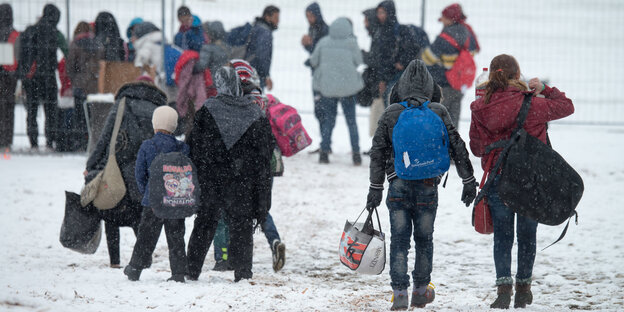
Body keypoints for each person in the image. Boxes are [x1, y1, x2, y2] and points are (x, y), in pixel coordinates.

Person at [366, 60, 477, 310]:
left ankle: (399, 293)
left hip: (398, 186)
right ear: (431, 88)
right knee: (425, 240)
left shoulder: (392, 112)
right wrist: (468, 180)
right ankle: (420, 290)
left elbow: (378, 152)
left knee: (399, 241)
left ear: (400, 87)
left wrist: (376, 187)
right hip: (428, 186)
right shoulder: (437, 111)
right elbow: (457, 146)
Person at [468, 54, 574, 309]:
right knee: (527, 236)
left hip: (497, 177)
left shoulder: (481, 107)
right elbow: (566, 106)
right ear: (518, 76)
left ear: (491, 77)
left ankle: (503, 289)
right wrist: (545, 89)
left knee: (502, 236)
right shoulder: (532, 105)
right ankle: (524, 289)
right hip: (530, 180)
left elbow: (476, 147)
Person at [186, 66, 274, 282]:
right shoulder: (254, 112)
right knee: (242, 225)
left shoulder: (208, 111)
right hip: (243, 180)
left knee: (205, 223)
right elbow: (265, 152)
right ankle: (243, 272)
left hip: (212, 179)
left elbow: (194, 147)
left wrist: (206, 168)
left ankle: (191, 269)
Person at [209, 59, 286, 272]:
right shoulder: (262, 98)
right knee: (260, 208)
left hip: (243, 163)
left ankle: (226, 256)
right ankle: (274, 240)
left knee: (230, 209)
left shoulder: (236, 100)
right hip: (267, 160)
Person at [84, 81, 168, 267]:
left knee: (111, 210)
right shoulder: (158, 108)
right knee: (141, 215)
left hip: (118, 168)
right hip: (146, 170)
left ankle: (115, 261)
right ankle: (144, 258)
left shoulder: (121, 104)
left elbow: (105, 137)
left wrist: (91, 165)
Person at [123, 106, 190, 283]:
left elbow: (139, 174)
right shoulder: (182, 148)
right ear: (174, 126)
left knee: (146, 236)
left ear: (155, 123)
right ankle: (178, 272)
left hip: (153, 201)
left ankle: (135, 268)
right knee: (176, 237)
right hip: (175, 198)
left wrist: (147, 193)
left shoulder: (147, 146)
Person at [309, 17, 364, 165]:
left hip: (328, 88)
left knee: (329, 121)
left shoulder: (323, 42)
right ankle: (356, 154)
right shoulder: (352, 43)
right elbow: (359, 61)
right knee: (351, 122)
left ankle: (324, 152)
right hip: (348, 89)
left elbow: (313, 61)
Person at [16, 4, 68, 150]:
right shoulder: (56, 34)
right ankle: (50, 141)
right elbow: (67, 52)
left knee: (31, 112)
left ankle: (33, 142)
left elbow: (20, 53)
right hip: (48, 78)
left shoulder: (29, 31)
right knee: (50, 111)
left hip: (31, 78)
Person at [422, 3, 479, 128]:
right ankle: (452, 146)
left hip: (443, 85)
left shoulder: (445, 37)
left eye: (444, 18)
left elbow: (428, 58)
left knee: (436, 121)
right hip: (459, 84)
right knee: (452, 123)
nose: (442, 21)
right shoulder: (468, 32)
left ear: (450, 18)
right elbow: (473, 52)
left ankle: (438, 146)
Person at [66, 22, 103, 152]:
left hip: (80, 85)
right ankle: (93, 142)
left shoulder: (75, 45)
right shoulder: (98, 44)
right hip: (95, 85)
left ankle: (80, 142)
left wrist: (75, 79)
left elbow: (70, 67)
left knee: (80, 117)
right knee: (94, 117)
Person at [246, 5, 280, 90]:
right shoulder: (265, 33)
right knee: (256, 100)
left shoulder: (256, 27)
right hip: (255, 75)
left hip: (245, 71)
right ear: (267, 17)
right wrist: (266, 76)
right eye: (276, 17)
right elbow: (262, 56)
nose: (278, 21)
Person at [0, 3, 19, 150]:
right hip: (9, 76)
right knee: (8, 107)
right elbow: (17, 57)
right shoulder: (14, 34)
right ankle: (7, 139)